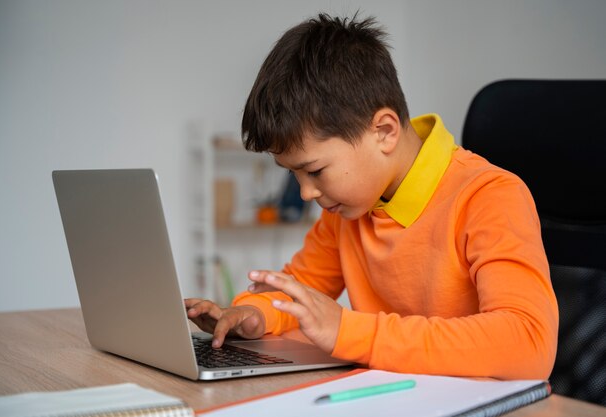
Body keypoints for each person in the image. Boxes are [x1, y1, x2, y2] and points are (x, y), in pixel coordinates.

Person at [185, 13, 558, 380]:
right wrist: (252, 315)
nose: (305, 191)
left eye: (315, 170)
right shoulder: (347, 209)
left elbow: (528, 342)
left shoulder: (489, 197)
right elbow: (298, 291)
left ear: (383, 132)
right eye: (293, 173)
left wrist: (348, 331)